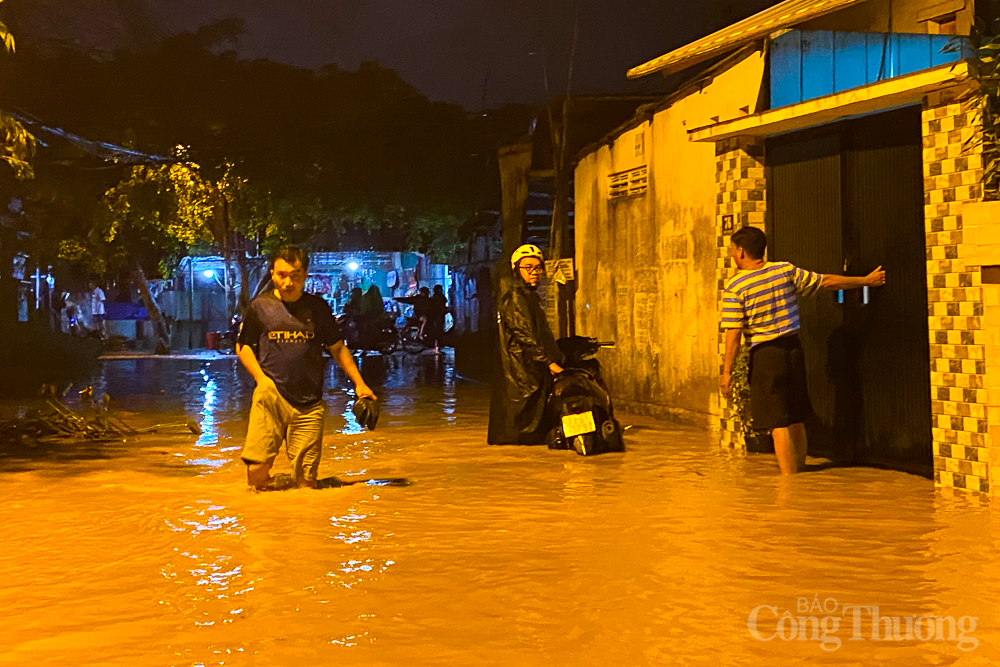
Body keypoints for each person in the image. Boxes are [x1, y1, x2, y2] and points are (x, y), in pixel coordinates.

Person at [719, 226, 885, 474]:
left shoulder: (736, 286)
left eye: (733, 249)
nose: (733, 254)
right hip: (794, 351)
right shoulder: (784, 270)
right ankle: (802, 475)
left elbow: (733, 334)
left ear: (741, 251)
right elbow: (825, 281)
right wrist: (865, 281)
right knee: (796, 416)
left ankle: (789, 485)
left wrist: (726, 372)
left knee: (777, 423)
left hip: (766, 355)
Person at [236, 245, 376, 490]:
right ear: (272, 273)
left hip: (309, 403)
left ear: (305, 275)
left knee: (306, 487)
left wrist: (360, 384)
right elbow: (243, 346)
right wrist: (261, 379)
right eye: (282, 275)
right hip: (270, 396)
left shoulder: (318, 308)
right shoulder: (260, 307)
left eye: (295, 275)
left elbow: (338, 348)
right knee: (256, 474)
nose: (288, 282)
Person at [487, 244, 564, 445]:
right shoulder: (514, 296)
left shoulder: (526, 295)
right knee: (522, 430)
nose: (534, 273)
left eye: (538, 268)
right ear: (516, 270)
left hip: (529, 368)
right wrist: (549, 363)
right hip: (522, 370)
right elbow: (524, 334)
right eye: (528, 267)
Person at [427, 285, 448, 354]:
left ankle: (435, 347)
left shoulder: (433, 298)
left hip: (434, 317)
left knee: (436, 332)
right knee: (438, 332)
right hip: (438, 317)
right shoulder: (440, 298)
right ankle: (437, 348)